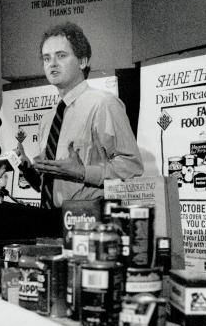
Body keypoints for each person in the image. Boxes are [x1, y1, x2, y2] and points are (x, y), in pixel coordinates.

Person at [29, 22, 143, 208]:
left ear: (82, 61)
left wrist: (83, 172)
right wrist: (26, 168)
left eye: (61, 56)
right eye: (46, 58)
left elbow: (132, 168)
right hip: (49, 224)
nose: (52, 64)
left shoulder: (103, 104)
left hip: (89, 223)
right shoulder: (48, 118)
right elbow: (49, 185)